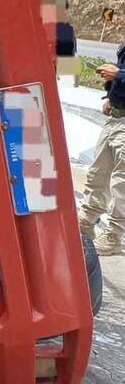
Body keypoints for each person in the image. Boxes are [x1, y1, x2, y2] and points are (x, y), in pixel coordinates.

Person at [79, 43, 125, 256]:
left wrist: (119, 75)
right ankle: (86, 222)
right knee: (98, 173)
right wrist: (110, 95)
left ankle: (114, 235)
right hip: (115, 117)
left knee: (121, 182)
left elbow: (121, 73)